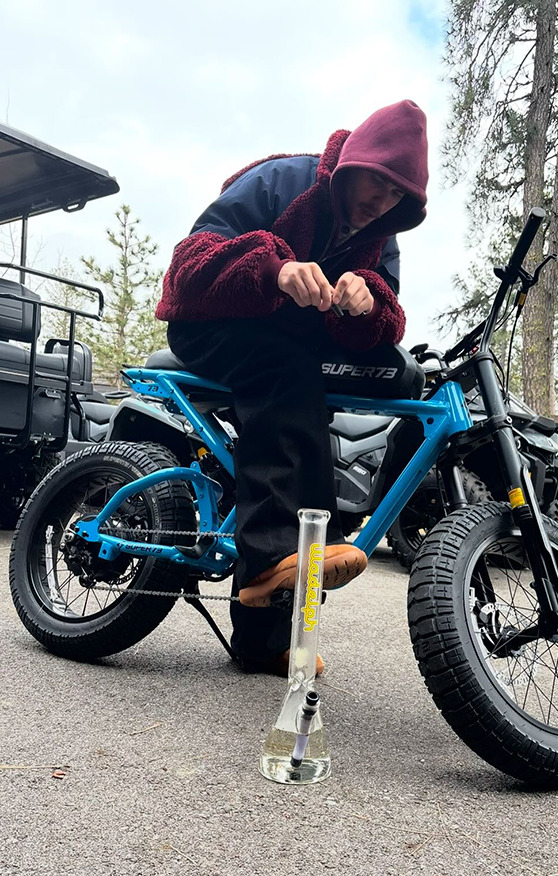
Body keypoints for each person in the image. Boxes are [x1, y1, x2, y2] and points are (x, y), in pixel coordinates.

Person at [156, 99, 429, 675]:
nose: (381, 201)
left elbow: (391, 313)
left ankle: (265, 639)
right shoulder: (282, 181)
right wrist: (273, 270)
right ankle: (274, 560)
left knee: (317, 403)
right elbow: (187, 265)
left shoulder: (381, 236)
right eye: (376, 182)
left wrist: (368, 303)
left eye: (396, 195)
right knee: (286, 374)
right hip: (209, 326)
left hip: (288, 350)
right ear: (352, 162)